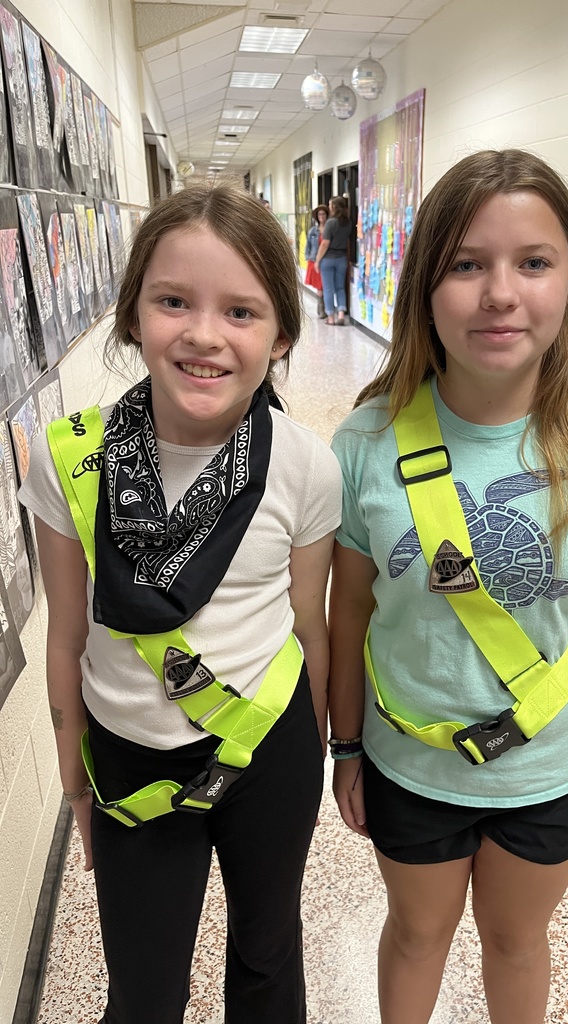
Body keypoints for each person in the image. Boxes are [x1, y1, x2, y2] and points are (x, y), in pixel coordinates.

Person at [328, 149, 568, 1024]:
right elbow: (347, 618)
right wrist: (345, 749)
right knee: (416, 936)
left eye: (532, 262)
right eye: (466, 264)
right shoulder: (368, 441)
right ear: (424, 283)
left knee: (518, 941)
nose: (499, 292)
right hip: (409, 758)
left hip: (552, 768)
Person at [19, 183, 341, 1024]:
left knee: (268, 957)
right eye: (173, 302)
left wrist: (327, 754)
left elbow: (310, 624)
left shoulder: (305, 467)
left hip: (268, 749)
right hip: (129, 760)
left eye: (241, 311)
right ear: (132, 316)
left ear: (280, 335)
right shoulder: (68, 462)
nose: (204, 334)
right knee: (144, 988)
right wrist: (75, 781)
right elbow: (66, 634)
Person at [316, 195, 352, 326]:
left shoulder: (331, 222)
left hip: (328, 260)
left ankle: (330, 317)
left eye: (330, 205)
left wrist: (317, 260)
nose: (329, 207)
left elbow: (325, 243)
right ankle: (341, 313)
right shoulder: (348, 222)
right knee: (340, 287)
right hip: (342, 259)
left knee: (328, 289)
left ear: (334, 207)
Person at [305, 204, 329, 318]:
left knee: (325, 286)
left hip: (327, 261)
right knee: (320, 287)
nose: (322, 216)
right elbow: (308, 246)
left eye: (324, 214)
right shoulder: (313, 231)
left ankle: (322, 309)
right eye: (320, 214)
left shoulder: (329, 229)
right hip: (315, 261)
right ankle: (321, 309)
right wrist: (308, 258)